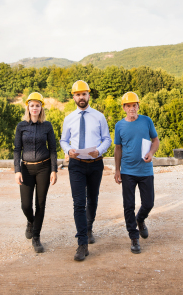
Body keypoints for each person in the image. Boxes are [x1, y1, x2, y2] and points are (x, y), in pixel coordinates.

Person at [60, 80, 112, 261]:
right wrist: (68, 150)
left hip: (95, 163)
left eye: (84, 94)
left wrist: (100, 150)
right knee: (78, 202)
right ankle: (82, 244)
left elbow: (107, 139)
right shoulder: (69, 118)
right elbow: (63, 140)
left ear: (89, 95)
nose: (81, 97)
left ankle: (89, 227)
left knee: (93, 198)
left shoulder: (99, 116)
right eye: (77, 94)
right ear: (73, 97)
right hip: (76, 165)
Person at [114, 92, 160, 254]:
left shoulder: (147, 121)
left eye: (134, 105)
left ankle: (140, 220)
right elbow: (118, 148)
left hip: (145, 170)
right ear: (124, 108)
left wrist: (152, 153)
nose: (132, 108)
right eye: (128, 106)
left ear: (138, 106)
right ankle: (134, 237)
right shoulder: (119, 125)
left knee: (149, 203)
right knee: (128, 205)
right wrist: (117, 170)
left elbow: (155, 141)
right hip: (127, 171)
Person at [13, 92, 58, 253]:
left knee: (40, 204)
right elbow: (17, 149)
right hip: (25, 169)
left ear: (41, 108)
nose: (34, 108)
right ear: (28, 107)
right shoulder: (21, 126)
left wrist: (54, 169)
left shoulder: (47, 126)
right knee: (26, 205)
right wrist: (17, 170)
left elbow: (53, 149)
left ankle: (37, 237)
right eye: (32, 105)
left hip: (44, 168)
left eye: (37, 105)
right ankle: (31, 221)